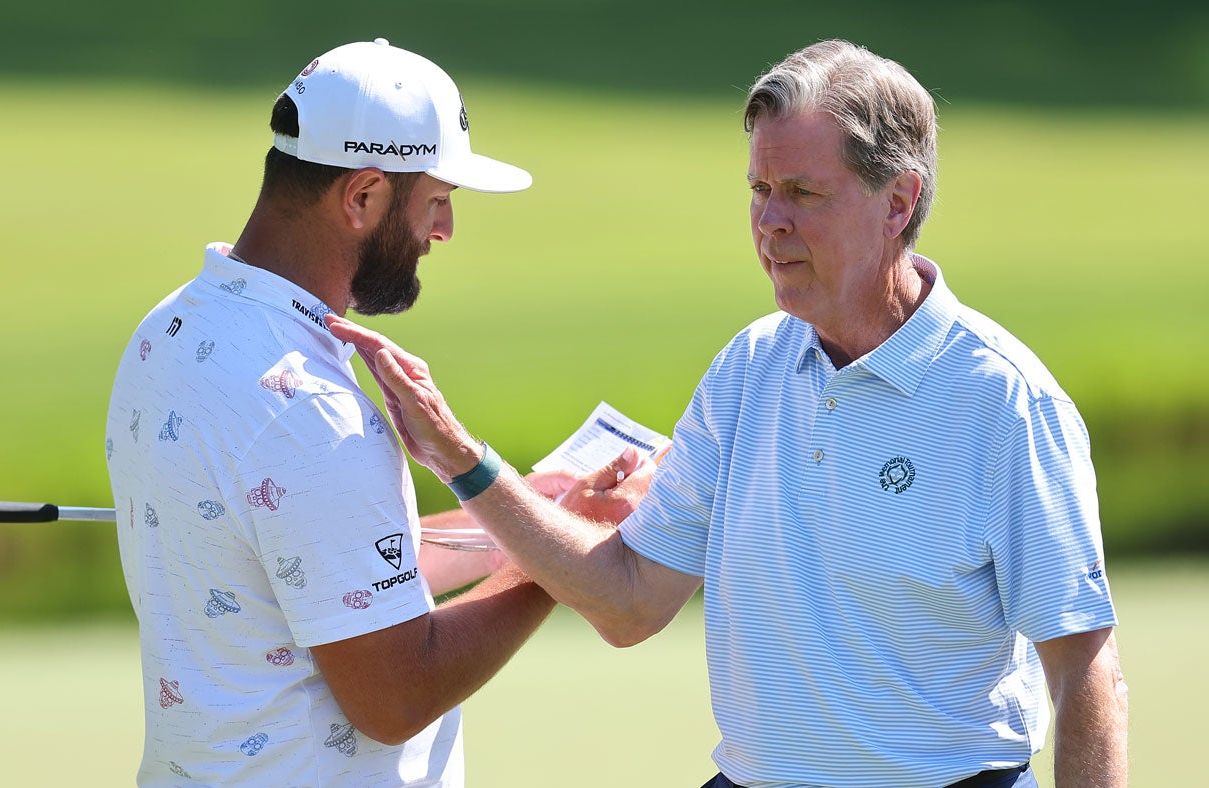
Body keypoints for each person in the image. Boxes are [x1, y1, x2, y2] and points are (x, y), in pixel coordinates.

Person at [327, 40, 1129, 788]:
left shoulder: (1004, 400)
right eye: (759, 190)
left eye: (803, 194)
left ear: (899, 202)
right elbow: (629, 601)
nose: (770, 223)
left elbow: (1085, 666)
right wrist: (467, 463)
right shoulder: (750, 368)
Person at [104, 38, 650, 787]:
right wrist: (553, 563)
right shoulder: (312, 415)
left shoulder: (168, 329)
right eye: (437, 200)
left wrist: (528, 508)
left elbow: (326, 571)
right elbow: (395, 695)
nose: (445, 231)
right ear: (362, 197)